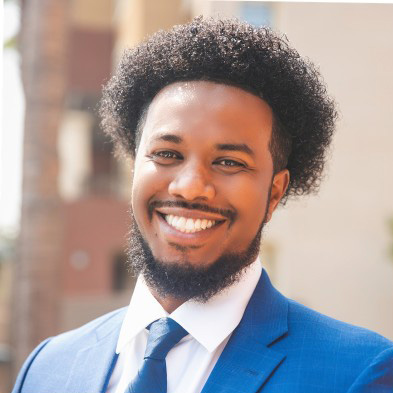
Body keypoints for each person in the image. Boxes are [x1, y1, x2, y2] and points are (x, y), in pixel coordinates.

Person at [12, 16, 393, 393]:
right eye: (166, 153)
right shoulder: (47, 368)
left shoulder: (357, 373)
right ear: (133, 167)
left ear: (275, 192)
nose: (191, 187)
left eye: (229, 162)